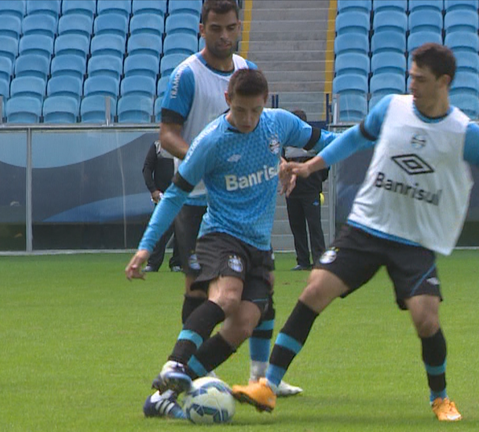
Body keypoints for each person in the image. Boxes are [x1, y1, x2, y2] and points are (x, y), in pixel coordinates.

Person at [230, 43, 479, 422]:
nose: (412, 83)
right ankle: (267, 386)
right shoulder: (392, 107)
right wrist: (310, 165)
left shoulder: (465, 132)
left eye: (420, 79)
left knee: (426, 319)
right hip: (365, 228)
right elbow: (354, 138)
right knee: (314, 290)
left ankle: (440, 398)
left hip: (414, 240)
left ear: (444, 82)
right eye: (411, 76)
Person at [126, 69, 338, 419]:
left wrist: (320, 158)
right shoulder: (211, 141)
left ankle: (164, 396)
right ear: (228, 101)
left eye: (255, 110)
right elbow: (175, 194)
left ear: (265, 104)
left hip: (258, 244)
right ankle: (173, 364)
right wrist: (147, 246)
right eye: (241, 110)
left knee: (243, 324)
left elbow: (327, 140)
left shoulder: (278, 125)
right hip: (221, 235)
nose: (248, 119)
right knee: (226, 297)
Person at [157, 0, 302, 405]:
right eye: (216, 28)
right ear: (201, 28)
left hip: (242, 200)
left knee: (264, 285)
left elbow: (258, 136)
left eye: (231, 28)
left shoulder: (244, 70)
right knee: (200, 288)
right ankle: (196, 370)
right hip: (197, 196)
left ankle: (262, 376)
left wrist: (280, 164)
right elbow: (167, 133)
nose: (224, 36)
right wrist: (203, 163)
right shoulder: (186, 74)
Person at [284, 109, 329, 270]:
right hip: (292, 191)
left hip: (311, 191)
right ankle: (302, 261)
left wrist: (316, 181)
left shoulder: (315, 140)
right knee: (297, 227)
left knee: (314, 226)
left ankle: (318, 261)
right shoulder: (286, 143)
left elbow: (324, 165)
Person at [142, 140, 181, 273]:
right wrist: (153, 190)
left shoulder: (185, 145)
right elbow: (147, 169)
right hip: (162, 197)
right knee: (159, 229)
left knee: (181, 230)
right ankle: (153, 263)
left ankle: (177, 263)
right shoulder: (157, 146)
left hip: (180, 194)